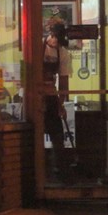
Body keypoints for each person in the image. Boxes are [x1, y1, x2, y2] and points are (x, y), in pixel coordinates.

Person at [42, 22, 72, 181]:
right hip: (35, 96)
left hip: (51, 96)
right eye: (54, 38)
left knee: (58, 136)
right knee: (34, 134)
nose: (56, 42)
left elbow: (64, 82)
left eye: (59, 40)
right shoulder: (37, 47)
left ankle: (58, 171)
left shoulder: (63, 53)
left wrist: (61, 104)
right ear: (50, 35)